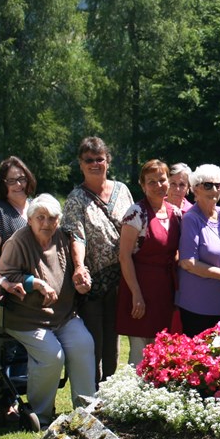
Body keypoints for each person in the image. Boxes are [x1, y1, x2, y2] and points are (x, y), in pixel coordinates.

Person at [0, 194, 96, 428]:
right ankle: (40, 414)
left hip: (63, 316)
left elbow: (75, 273)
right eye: (40, 217)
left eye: (52, 218)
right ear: (30, 219)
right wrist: (35, 283)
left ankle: (87, 410)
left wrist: (82, 282)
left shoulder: (62, 238)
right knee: (52, 355)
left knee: (84, 344)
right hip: (26, 318)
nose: (46, 223)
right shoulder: (18, 241)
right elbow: (4, 274)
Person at [62, 136, 132, 383]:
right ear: (80, 164)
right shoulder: (75, 198)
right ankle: (90, 400)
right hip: (92, 284)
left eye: (99, 159)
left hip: (122, 278)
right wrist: (80, 267)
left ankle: (108, 397)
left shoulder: (122, 190)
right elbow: (76, 236)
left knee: (113, 343)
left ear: (107, 161)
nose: (94, 164)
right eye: (88, 160)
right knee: (94, 342)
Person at [117, 159, 182, 366]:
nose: (157, 185)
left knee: (162, 348)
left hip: (165, 289)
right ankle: (133, 395)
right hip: (140, 286)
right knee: (139, 350)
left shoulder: (176, 214)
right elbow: (124, 256)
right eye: (151, 182)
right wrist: (136, 294)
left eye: (161, 180)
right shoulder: (136, 213)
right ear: (143, 185)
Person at [176, 165, 220, 336]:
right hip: (198, 304)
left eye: (218, 185)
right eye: (207, 185)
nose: (214, 189)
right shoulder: (191, 219)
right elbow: (188, 263)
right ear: (195, 189)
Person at [0, 156, 37, 253]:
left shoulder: (37, 206)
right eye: (11, 181)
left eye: (22, 179)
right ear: (3, 185)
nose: (18, 184)